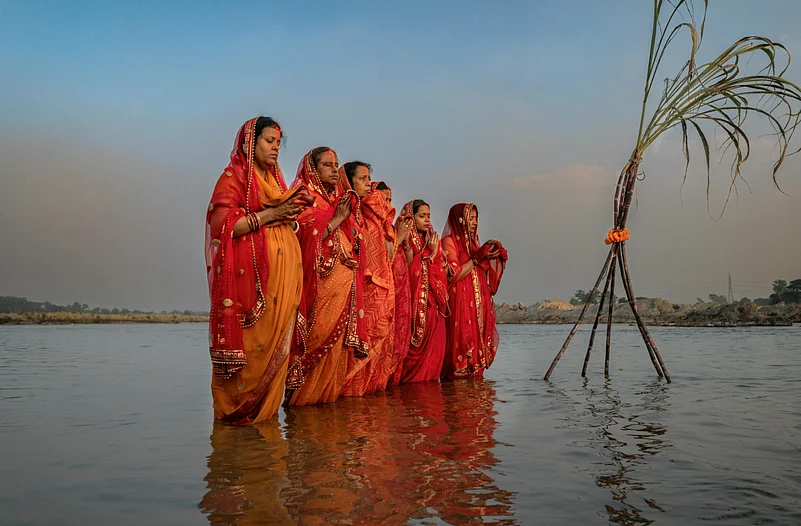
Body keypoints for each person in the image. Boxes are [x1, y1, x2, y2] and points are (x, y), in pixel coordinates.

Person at [205, 116, 309, 424]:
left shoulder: (278, 182)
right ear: (251, 144)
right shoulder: (233, 178)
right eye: (269, 141)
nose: (276, 148)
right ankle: (235, 426)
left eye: (278, 143)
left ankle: (263, 444)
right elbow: (222, 227)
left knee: (275, 358)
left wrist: (289, 218)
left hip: (282, 289)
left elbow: (287, 220)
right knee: (252, 357)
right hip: (253, 290)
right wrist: (271, 215)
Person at [285, 147, 368, 406]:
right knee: (316, 341)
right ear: (313, 169)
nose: (334, 169)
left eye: (336, 165)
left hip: (342, 289)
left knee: (336, 350)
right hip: (319, 287)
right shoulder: (306, 199)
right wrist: (336, 219)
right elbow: (299, 239)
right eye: (327, 165)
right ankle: (302, 407)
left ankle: (325, 417)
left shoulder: (338, 200)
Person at [340, 165, 397, 396]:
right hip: (357, 290)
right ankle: (349, 395)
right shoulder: (347, 213)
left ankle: (367, 397)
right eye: (362, 179)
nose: (367, 183)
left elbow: (385, 253)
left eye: (368, 179)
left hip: (378, 289)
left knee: (376, 343)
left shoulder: (370, 217)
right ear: (349, 182)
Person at [440, 203, 508, 379]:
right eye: (470, 218)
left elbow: (482, 264)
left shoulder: (473, 243)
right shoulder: (449, 242)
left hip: (477, 303)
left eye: (476, 218)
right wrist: (476, 260)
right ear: (459, 219)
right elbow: (453, 274)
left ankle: (475, 397)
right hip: (460, 303)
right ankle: (457, 396)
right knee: (461, 345)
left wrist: (492, 253)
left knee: (476, 353)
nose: (474, 222)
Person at [398, 200, 448, 383]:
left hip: (434, 306)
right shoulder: (407, 239)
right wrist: (429, 254)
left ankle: (431, 400)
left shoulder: (431, 239)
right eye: (422, 216)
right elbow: (407, 268)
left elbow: (441, 273)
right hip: (414, 302)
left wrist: (435, 256)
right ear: (412, 217)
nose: (427, 220)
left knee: (434, 354)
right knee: (413, 352)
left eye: (428, 216)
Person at [387, 208, 414, 387]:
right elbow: (383, 259)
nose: (387, 204)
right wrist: (399, 237)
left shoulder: (393, 230)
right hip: (387, 295)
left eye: (389, 200)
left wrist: (404, 242)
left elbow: (408, 262)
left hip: (402, 296)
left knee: (400, 339)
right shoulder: (385, 231)